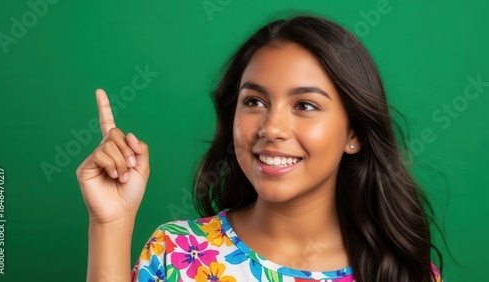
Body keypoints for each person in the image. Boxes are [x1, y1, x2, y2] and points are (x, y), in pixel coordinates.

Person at [77, 15, 443, 281]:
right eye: (254, 102)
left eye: (305, 106)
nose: (271, 128)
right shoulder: (175, 252)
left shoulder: (403, 272)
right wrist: (111, 223)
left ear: (355, 134)